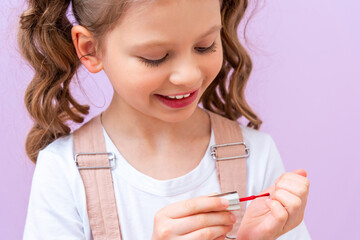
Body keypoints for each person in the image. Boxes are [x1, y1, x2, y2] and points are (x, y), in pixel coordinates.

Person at [19, 0, 311, 239]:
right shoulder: (63, 171)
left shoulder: (256, 155)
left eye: (205, 45)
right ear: (90, 49)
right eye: (156, 56)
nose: (189, 75)